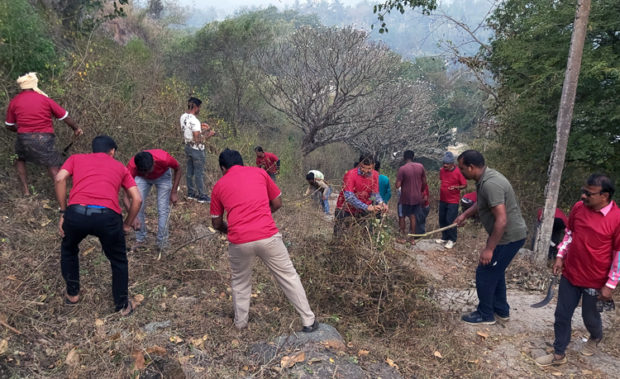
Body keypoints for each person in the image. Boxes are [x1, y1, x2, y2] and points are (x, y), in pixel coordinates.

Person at [210, 149, 319, 332]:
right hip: (268, 235)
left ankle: (240, 324)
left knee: (240, 282)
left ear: (223, 167)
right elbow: (277, 203)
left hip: (239, 240)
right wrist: (262, 215)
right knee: (288, 276)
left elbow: (216, 222)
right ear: (242, 162)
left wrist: (228, 229)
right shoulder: (259, 172)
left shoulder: (219, 185)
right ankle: (308, 321)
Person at [535, 174, 620, 367]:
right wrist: (560, 255)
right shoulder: (578, 208)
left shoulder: (617, 219)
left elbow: (619, 254)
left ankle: (596, 336)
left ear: (604, 196)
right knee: (562, 314)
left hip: (596, 280)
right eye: (583, 191)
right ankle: (559, 354)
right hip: (571, 274)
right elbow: (570, 233)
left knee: (589, 317)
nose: (583, 196)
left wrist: (610, 285)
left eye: (588, 193)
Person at [54, 136, 141, 316]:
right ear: (112, 152)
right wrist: (127, 224)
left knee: (69, 249)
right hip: (107, 217)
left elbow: (60, 178)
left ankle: (72, 294)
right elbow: (137, 199)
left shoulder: (76, 159)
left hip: (76, 213)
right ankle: (122, 306)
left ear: (93, 149)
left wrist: (63, 212)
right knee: (118, 260)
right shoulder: (120, 167)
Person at [454, 150, 527, 325]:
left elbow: (501, 220)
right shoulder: (485, 179)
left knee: (484, 273)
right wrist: (465, 215)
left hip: (508, 237)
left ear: (471, 167)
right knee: (496, 271)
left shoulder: (491, 184)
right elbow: (482, 202)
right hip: (507, 236)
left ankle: (485, 314)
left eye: (462, 168)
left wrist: (489, 249)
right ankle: (501, 311)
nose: (461, 172)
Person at [5, 72, 83, 195]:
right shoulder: (44, 99)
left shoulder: (15, 101)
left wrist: (21, 129)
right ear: (34, 85)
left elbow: (8, 125)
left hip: (23, 138)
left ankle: (25, 191)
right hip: (44, 137)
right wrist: (76, 128)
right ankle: (63, 193)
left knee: (19, 159)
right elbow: (64, 117)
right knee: (52, 164)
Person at [124, 149, 182, 251]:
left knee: (162, 209)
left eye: (148, 171)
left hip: (163, 176)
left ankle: (162, 243)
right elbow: (125, 197)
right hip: (141, 179)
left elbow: (178, 169)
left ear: (154, 163)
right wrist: (132, 217)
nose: (147, 174)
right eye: (144, 172)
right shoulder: (131, 167)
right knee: (137, 206)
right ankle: (141, 239)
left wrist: (174, 192)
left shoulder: (164, 158)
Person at [334, 154, 388, 236]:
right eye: (363, 167)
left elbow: (374, 194)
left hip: (362, 211)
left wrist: (380, 203)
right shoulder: (350, 174)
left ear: (373, 166)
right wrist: (366, 207)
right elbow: (349, 197)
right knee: (340, 235)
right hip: (345, 209)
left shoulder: (375, 175)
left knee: (360, 235)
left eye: (369, 168)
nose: (365, 171)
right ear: (359, 164)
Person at [180, 97, 215, 203]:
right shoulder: (194, 120)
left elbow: (188, 130)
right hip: (197, 150)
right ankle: (201, 195)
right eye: (199, 107)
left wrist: (200, 128)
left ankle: (191, 193)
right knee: (199, 173)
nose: (199, 109)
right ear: (195, 107)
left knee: (189, 170)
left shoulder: (183, 117)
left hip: (188, 146)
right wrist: (209, 134)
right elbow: (198, 140)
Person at [395, 150, 427, 244]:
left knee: (402, 216)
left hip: (405, 197)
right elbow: (425, 182)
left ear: (404, 158)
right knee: (413, 217)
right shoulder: (420, 166)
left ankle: (402, 237)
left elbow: (398, 185)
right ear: (413, 157)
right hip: (417, 197)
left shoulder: (402, 169)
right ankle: (412, 239)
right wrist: (420, 191)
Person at [436, 152, 467, 249]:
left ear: (452, 164)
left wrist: (456, 187)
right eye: (444, 163)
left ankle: (452, 239)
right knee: (442, 218)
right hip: (443, 199)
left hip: (453, 201)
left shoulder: (458, 172)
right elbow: (442, 180)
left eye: (447, 164)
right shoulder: (442, 171)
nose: (445, 165)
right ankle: (444, 237)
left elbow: (465, 185)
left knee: (450, 220)